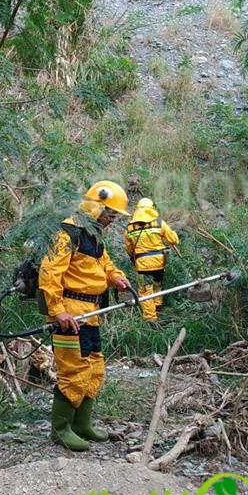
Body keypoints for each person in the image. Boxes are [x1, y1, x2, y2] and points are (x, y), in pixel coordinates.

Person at [39, 181, 132, 451]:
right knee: (73, 372)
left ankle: (82, 424)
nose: (112, 220)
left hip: (92, 314)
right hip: (70, 314)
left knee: (94, 368)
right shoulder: (67, 234)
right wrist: (57, 311)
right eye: (110, 214)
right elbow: (50, 273)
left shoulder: (94, 236)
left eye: (114, 216)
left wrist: (116, 277)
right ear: (96, 206)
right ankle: (60, 429)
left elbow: (104, 264)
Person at [124, 198, 179, 322]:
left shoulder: (130, 228)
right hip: (159, 262)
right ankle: (157, 306)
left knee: (145, 290)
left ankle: (151, 319)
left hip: (142, 264)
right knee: (157, 284)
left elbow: (129, 248)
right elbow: (174, 240)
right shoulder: (160, 223)